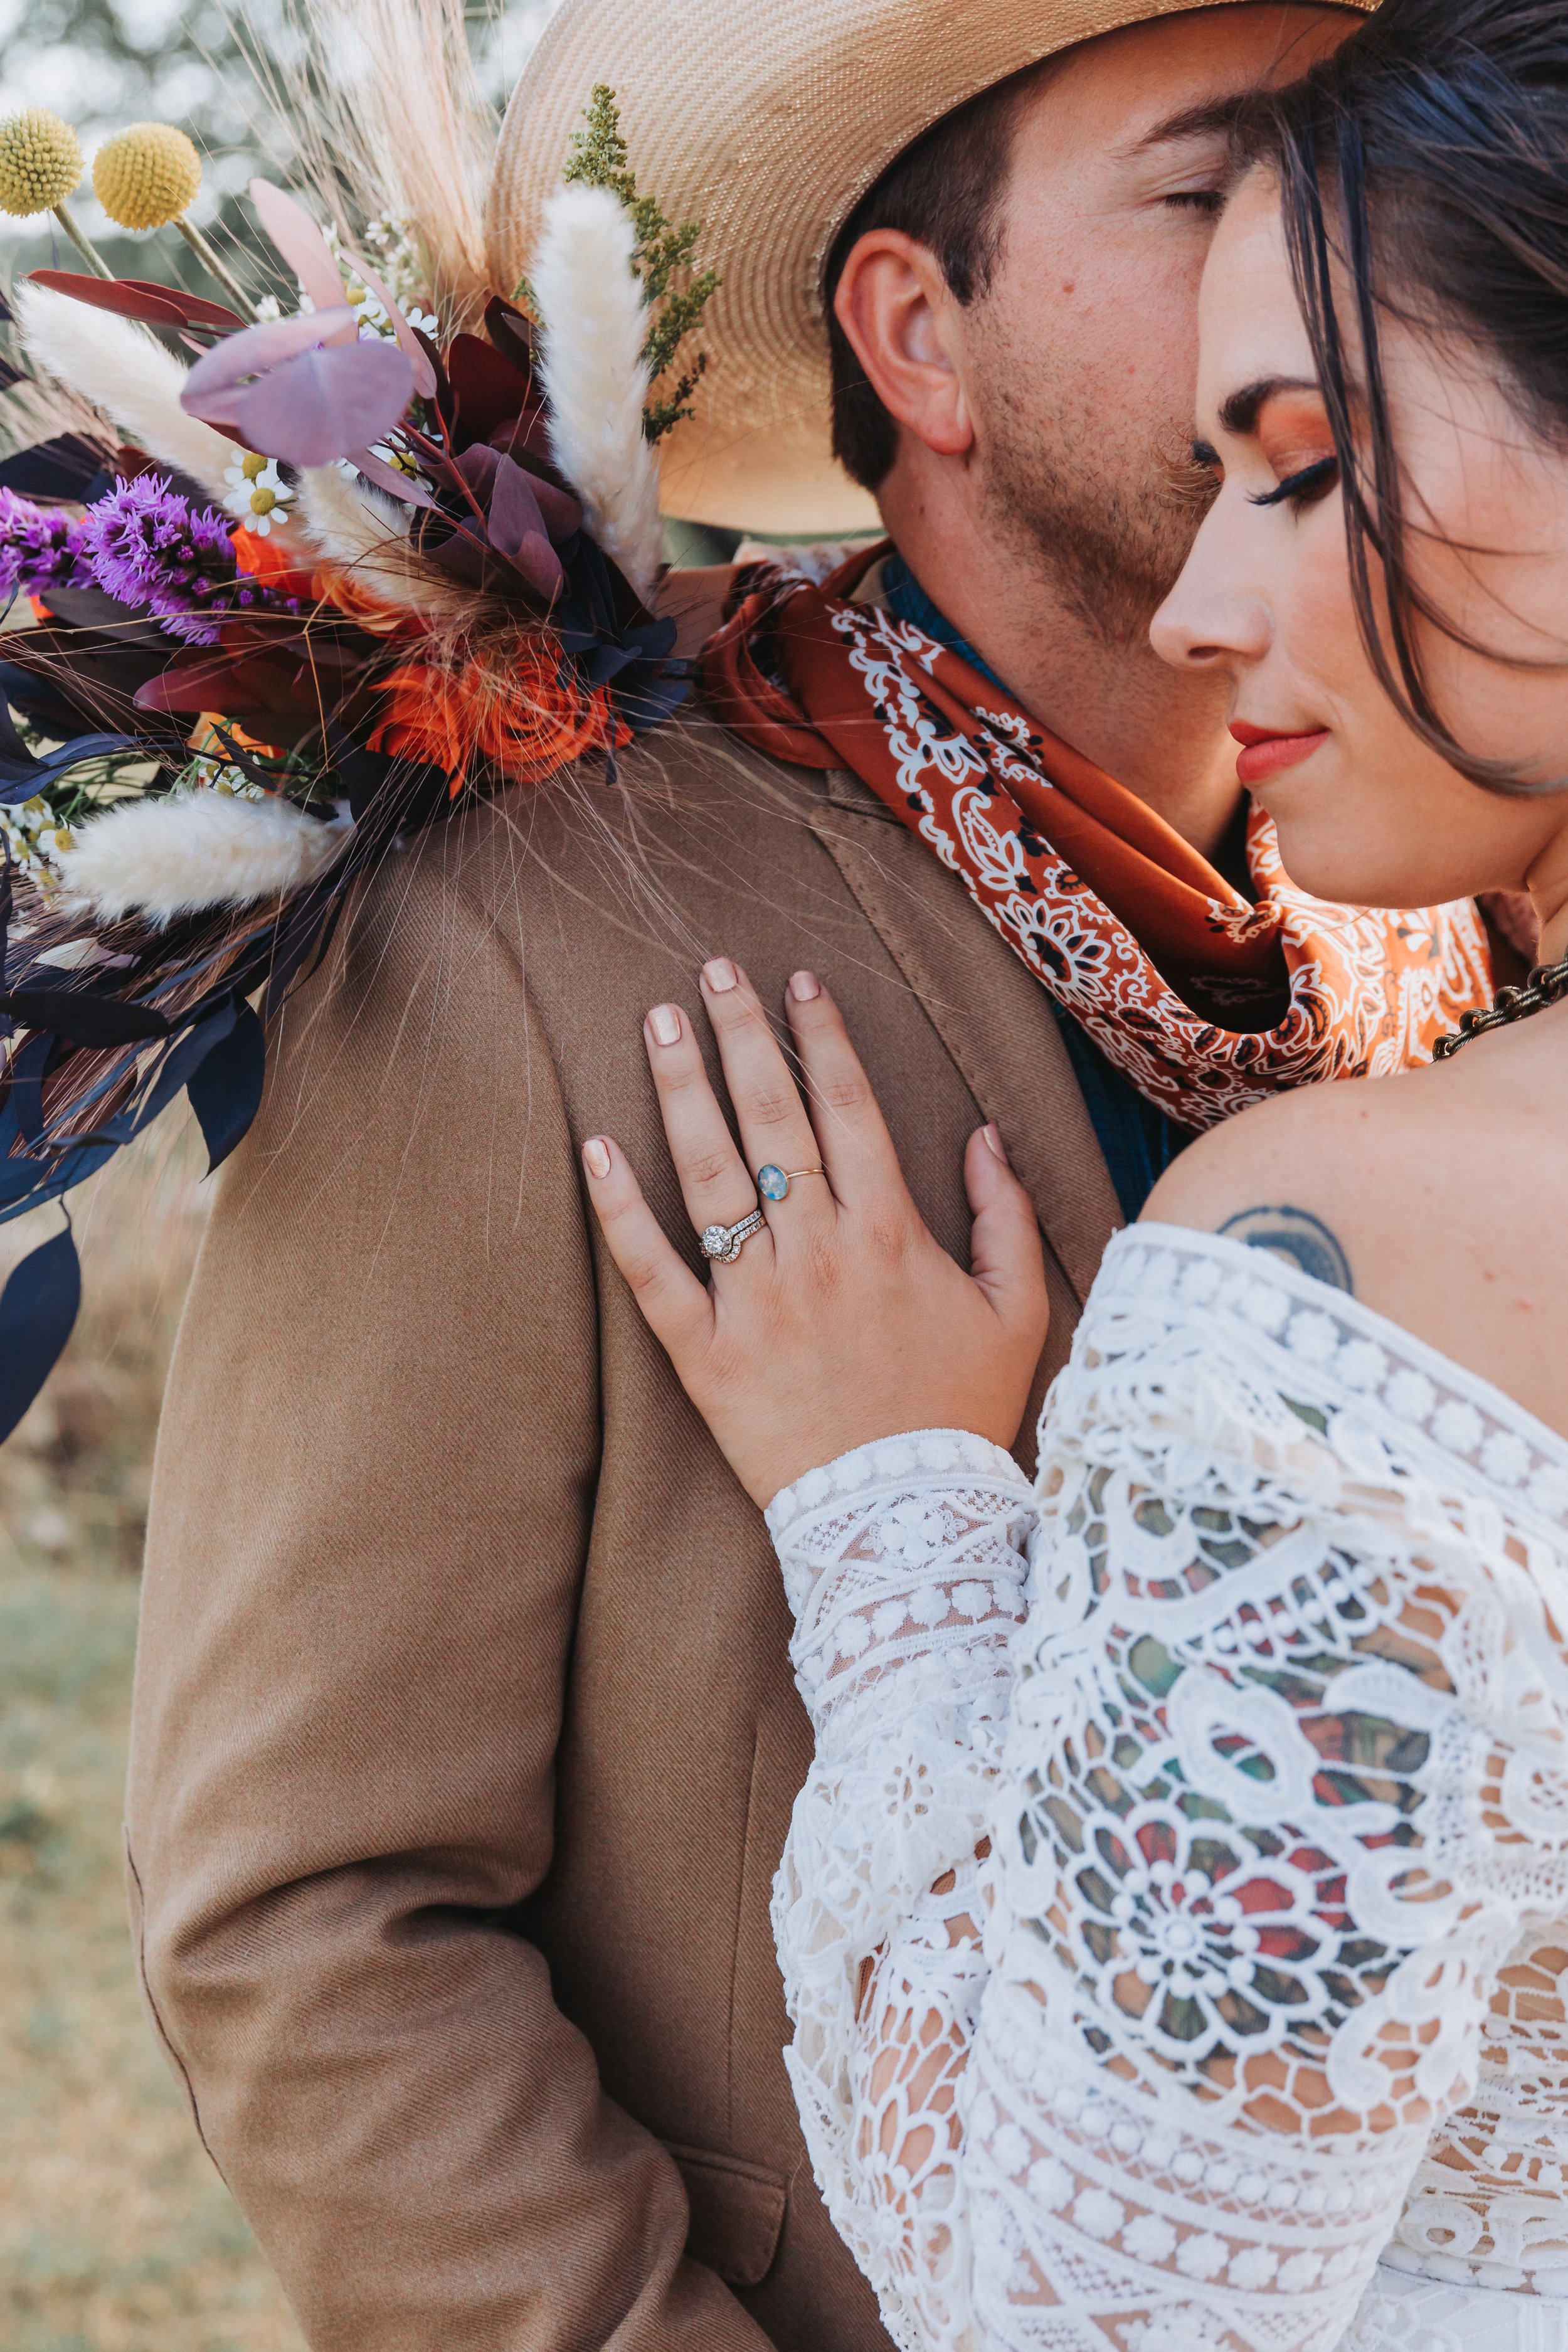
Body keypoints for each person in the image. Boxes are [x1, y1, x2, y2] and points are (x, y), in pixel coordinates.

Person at [125, 4, 1489, 2350]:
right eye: (1222, 184)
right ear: (914, 339)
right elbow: (307, 1908)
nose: (1327, 272)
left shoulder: (1439, 908)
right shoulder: (527, 934)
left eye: (1354, 178)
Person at [581, 0, 1568, 2343]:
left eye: (1308, 462)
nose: (1204, 600)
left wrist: (898, 1513)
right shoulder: (566, 921)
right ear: (909, 335)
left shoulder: (1346, 1262)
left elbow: (1070, 2306)